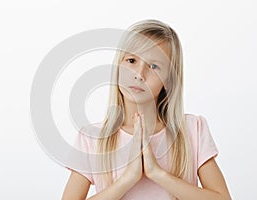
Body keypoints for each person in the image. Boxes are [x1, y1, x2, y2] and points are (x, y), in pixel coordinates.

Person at [62, 19, 231, 200]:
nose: (139, 74)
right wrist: (128, 178)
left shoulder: (193, 130)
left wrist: (157, 173)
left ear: (169, 80)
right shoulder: (92, 138)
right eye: (132, 60)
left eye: (153, 66)